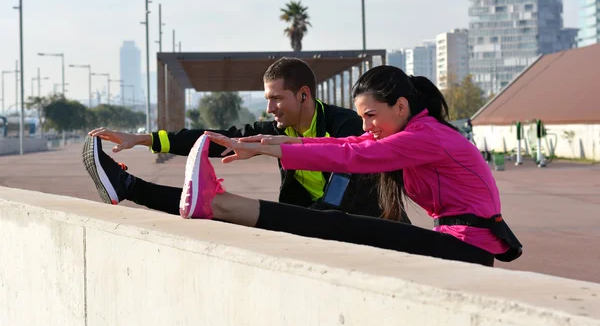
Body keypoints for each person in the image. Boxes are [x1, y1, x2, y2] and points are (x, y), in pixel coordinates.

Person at [178, 65, 523, 267]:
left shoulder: (423, 136)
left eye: (370, 116)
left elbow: (353, 157)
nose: (365, 127)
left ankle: (217, 202)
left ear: (401, 107)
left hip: (469, 245)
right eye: (360, 117)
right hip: (455, 239)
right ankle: (216, 202)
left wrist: (276, 150)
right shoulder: (413, 130)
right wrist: (269, 144)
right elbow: (347, 144)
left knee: (346, 227)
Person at [83, 57, 409, 222]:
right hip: (314, 219)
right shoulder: (280, 130)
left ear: (304, 95)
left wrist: (310, 222)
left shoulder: (345, 124)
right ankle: (128, 186)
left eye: (277, 99)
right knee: (213, 205)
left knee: (225, 207)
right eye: (267, 99)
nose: (270, 108)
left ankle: (129, 187)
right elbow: (215, 139)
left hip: (368, 225)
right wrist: (143, 139)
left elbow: (342, 181)